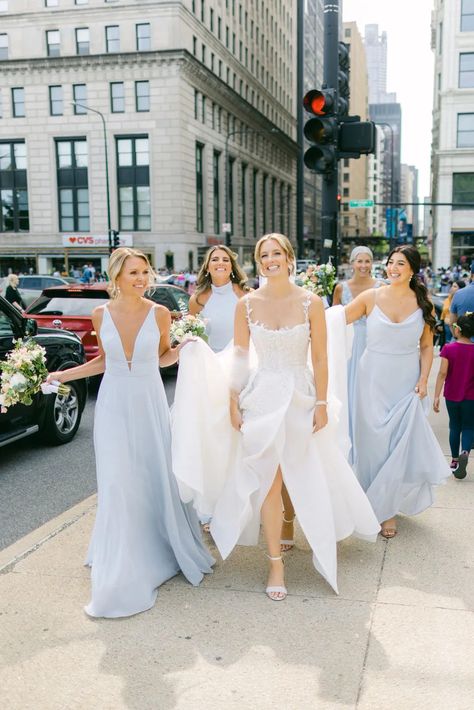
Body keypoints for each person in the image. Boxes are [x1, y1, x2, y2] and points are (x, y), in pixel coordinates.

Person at [177, 234, 380, 600]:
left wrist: (321, 402)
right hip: (262, 397)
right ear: (259, 262)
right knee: (268, 480)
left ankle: (301, 529)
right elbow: (240, 356)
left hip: (301, 396)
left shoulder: (311, 302)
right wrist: (233, 400)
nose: (270, 260)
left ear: (289, 258)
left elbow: (319, 358)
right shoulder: (247, 304)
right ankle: (275, 563)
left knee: (303, 475)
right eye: (263, 255)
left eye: (276, 254)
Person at [46, 247, 213, 618]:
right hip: (114, 405)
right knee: (118, 480)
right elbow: (103, 362)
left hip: (149, 402)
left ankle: (155, 546)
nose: (141, 279)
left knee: (151, 475)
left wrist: (187, 349)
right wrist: (63, 375)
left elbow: (162, 357)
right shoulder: (99, 313)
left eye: (144, 272)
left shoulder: (159, 313)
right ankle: (122, 557)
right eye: (133, 273)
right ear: (117, 277)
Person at [345, 246, 451, 539]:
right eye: (390, 262)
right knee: (371, 445)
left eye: (400, 263)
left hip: (404, 380)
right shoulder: (371, 297)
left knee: (395, 447)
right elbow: (335, 321)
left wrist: (423, 379)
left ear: (412, 269)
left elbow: (427, 346)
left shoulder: (423, 304)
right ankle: (369, 501)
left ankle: (387, 510)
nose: (393, 267)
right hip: (370, 379)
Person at [332, 246, 385, 462]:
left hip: (373, 345)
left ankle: (370, 445)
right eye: (359, 261)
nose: (363, 266)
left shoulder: (382, 288)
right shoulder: (340, 288)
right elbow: (332, 319)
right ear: (352, 263)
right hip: (348, 346)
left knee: (371, 396)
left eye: (367, 261)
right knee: (347, 393)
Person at [434, 312, 474, 479]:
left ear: (457, 330)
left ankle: (454, 460)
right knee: (469, 427)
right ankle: (465, 451)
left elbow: (442, 373)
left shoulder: (448, 349)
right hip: (471, 397)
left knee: (455, 426)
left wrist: (436, 395)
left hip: (451, 395)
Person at [189, 245, 249, 352]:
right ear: (207, 267)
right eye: (215, 259)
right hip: (211, 362)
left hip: (241, 361)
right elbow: (192, 337)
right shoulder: (197, 300)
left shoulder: (247, 294)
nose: (220, 262)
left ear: (231, 267)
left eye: (225, 260)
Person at [450, 275, 474, 341]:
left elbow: (452, 322)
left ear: (471, 276)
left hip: (463, 341)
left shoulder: (459, 294)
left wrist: (456, 336)